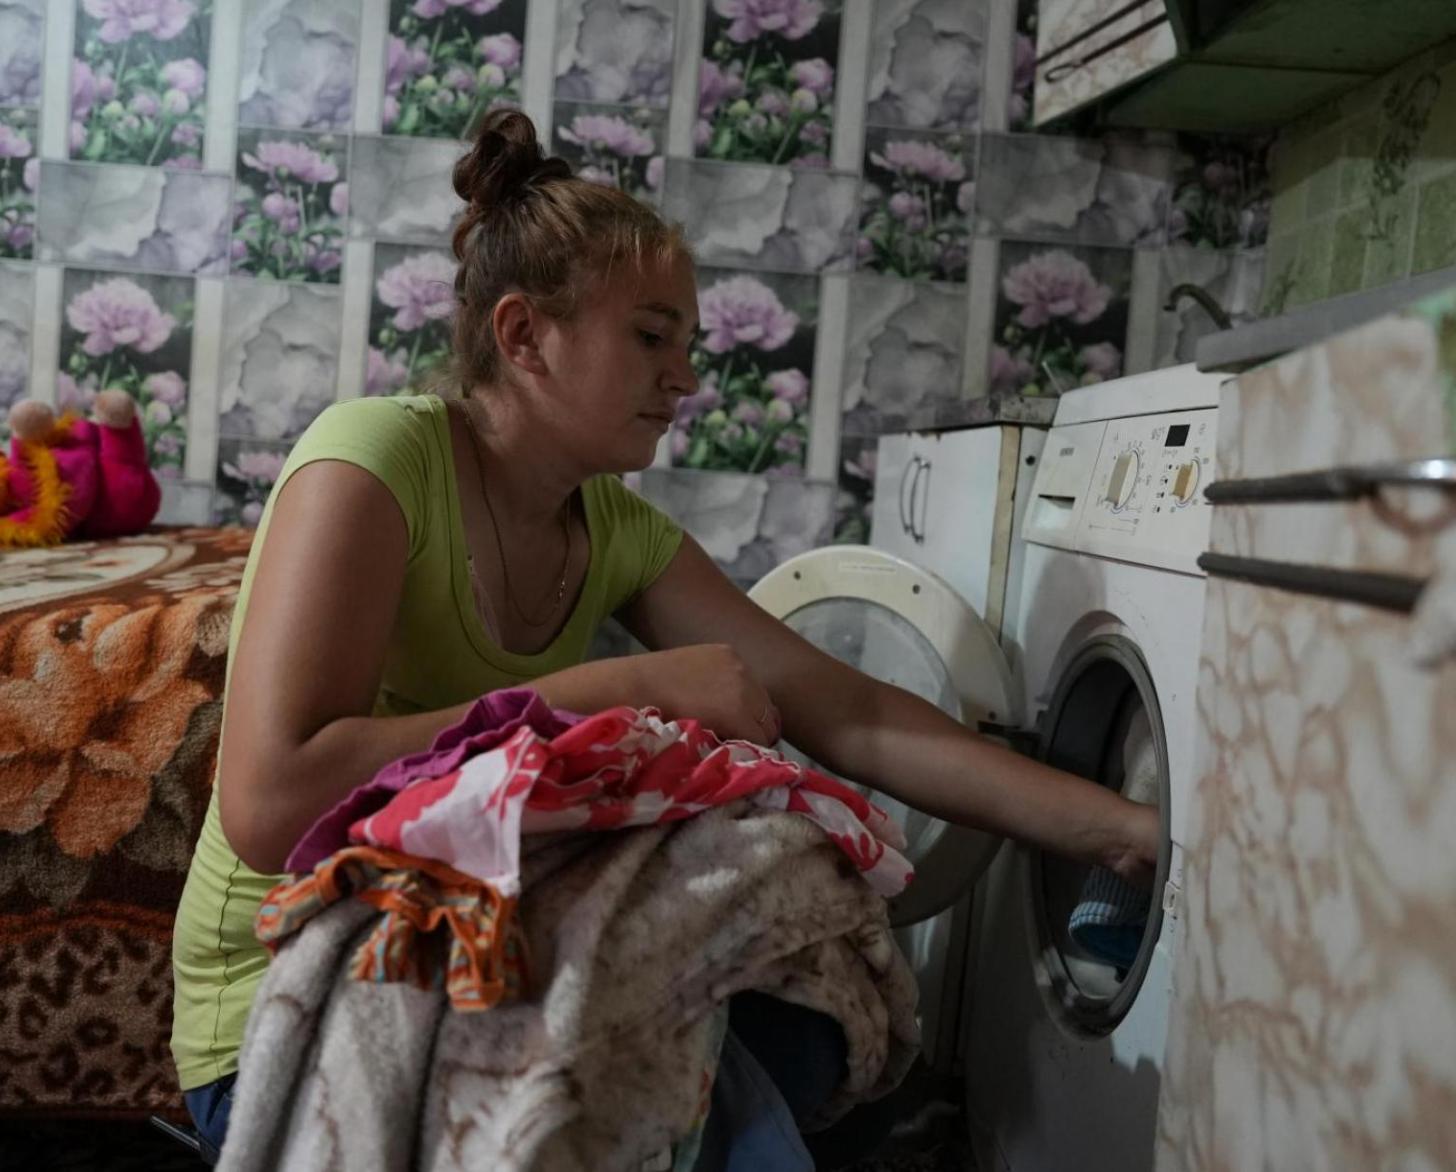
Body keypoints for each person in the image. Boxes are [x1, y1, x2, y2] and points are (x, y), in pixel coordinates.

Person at [170, 110, 1158, 1165]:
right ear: (521, 335)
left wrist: (1120, 828)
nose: (686, 377)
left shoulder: (619, 534)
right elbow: (274, 802)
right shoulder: (372, 460)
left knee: (799, 1016)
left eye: (687, 343)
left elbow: (854, 711)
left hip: (493, 956)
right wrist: (620, 687)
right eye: (650, 335)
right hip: (287, 1010)